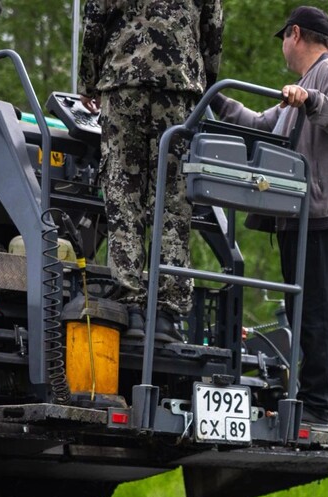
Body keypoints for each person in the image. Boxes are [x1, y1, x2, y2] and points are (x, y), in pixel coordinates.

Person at [210, 6, 328, 433]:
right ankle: (322, 407)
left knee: (315, 314)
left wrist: (311, 99)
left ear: (295, 34)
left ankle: (321, 409)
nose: (283, 48)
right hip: (298, 216)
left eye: (283, 39)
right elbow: (262, 125)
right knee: (305, 313)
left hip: (320, 213)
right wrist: (216, 98)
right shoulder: (300, 86)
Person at [78, 0, 223, 343]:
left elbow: (95, 19)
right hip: (180, 87)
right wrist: (203, 82)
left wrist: (88, 81)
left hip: (122, 82)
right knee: (173, 199)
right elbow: (213, 31)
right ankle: (167, 315)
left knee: (123, 194)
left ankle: (131, 306)